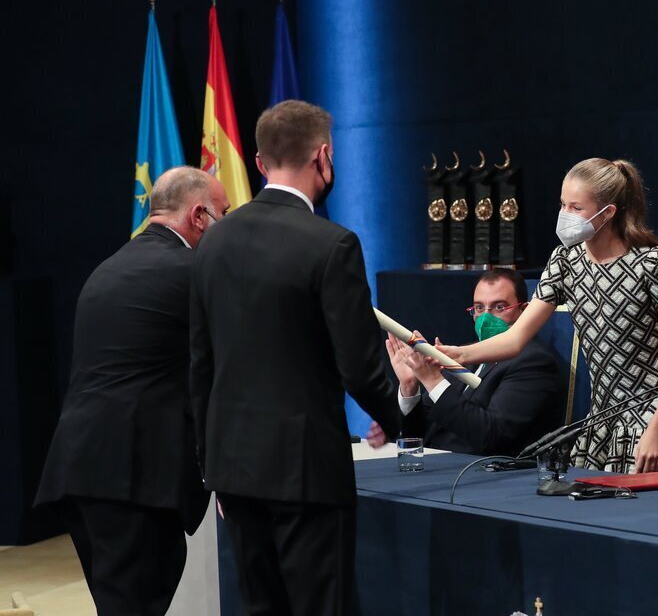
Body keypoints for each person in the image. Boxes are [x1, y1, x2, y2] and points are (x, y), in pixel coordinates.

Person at [190, 99, 401, 616]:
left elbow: (200, 363)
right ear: (324, 156)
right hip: (306, 473)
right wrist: (406, 417)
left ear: (260, 163)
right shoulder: (332, 245)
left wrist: (210, 464)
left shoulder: (211, 243)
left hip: (233, 471)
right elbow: (358, 365)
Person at [438, 158, 658, 475]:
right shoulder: (566, 259)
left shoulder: (652, 264)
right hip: (603, 421)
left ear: (608, 213)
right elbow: (515, 338)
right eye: (562, 205)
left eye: (575, 208)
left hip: (656, 419)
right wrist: (459, 354)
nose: (564, 215)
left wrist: (656, 428)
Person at [35, 167, 229, 615]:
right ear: (200, 216)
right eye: (226, 213)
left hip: (82, 470)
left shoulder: (110, 266)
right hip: (132, 481)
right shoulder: (192, 273)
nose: (230, 227)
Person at [371, 268, 562, 456]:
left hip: (483, 476)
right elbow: (420, 436)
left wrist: (433, 381)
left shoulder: (534, 362)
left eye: (499, 307)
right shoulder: (466, 353)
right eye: (479, 308)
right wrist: (410, 387)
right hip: (433, 468)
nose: (486, 317)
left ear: (524, 310)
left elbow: (492, 437)